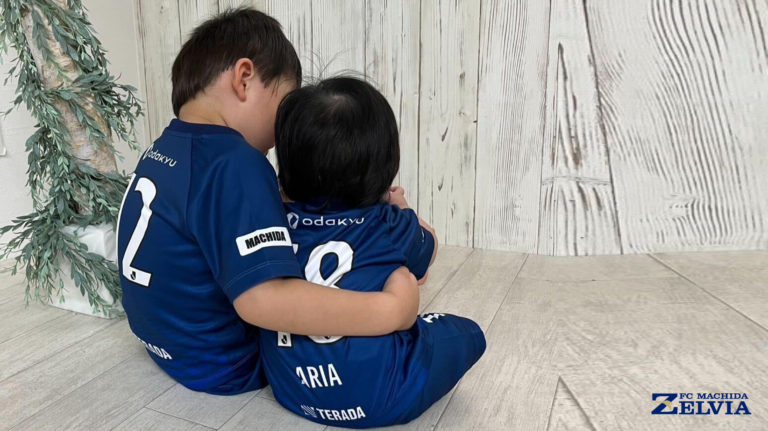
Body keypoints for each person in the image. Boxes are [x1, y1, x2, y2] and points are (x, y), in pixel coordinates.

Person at [116, 8, 419, 396]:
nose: (282, 134)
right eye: (286, 106)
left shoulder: (165, 148)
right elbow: (262, 300)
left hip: (168, 346)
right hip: (224, 363)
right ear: (244, 78)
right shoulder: (236, 162)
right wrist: (391, 311)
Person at [259, 77, 486, 427]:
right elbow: (428, 252)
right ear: (382, 165)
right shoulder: (387, 222)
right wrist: (402, 206)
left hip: (291, 389)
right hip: (386, 395)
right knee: (468, 333)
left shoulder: (272, 220)